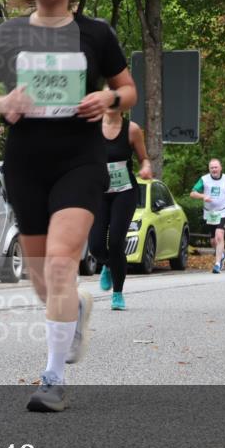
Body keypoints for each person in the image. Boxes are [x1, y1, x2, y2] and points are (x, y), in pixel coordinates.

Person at [0, 0, 137, 412]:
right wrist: (3, 103)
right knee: (43, 278)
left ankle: (53, 379)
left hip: (79, 159)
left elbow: (128, 90)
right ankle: (75, 308)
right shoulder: (9, 35)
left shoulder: (96, 34)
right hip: (26, 161)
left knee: (62, 265)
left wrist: (108, 98)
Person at [89, 112, 152, 310]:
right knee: (96, 245)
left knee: (116, 241)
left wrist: (146, 168)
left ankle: (118, 293)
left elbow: (144, 159)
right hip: (99, 192)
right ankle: (108, 264)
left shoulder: (131, 129)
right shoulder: (91, 127)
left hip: (124, 192)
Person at [190, 159, 225, 274]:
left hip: (223, 211)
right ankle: (222, 255)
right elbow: (192, 193)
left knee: (219, 235)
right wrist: (203, 196)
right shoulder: (204, 179)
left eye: (216, 167)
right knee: (213, 241)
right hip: (210, 213)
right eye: (212, 168)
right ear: (209, 169)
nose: (214, 170)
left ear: (220, 168)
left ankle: (217, 264)